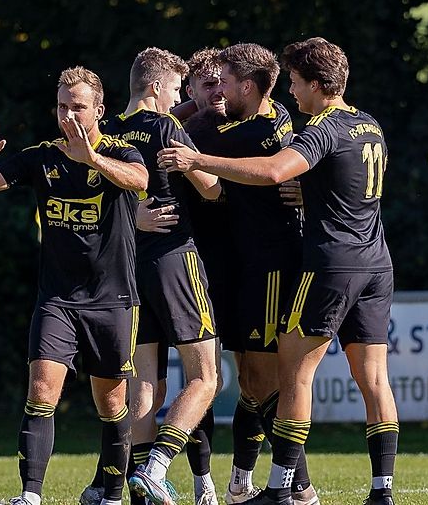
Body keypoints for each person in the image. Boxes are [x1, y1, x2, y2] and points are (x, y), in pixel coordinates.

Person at [159, 36, 399, 505]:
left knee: (291, 374)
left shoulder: (322, 127)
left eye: (295, 82)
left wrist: (198, 160)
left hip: (331, 263)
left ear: (315, 84)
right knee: (374, 379)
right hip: (377, 261)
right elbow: (347, 185)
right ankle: (381, 491)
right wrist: (311, 193)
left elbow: (273, 172)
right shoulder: (369, 126)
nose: (291, 91)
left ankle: (283, 489)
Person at [0, 66, 148, 505]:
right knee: (42, 390)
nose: (68, 115)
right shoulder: (41, 156)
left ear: (99, 111)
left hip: (112, 300)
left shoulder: (123, 151)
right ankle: (30, 495)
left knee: (111, 404)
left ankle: (111, 492)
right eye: (62, 106)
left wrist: (94, 161)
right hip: (58, 300)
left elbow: (140, 182)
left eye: (78, 107)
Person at [99, 47, 222, 505]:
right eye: (174, 88)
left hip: (126, 267)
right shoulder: (166, 126)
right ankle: (156, 469)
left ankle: (139, 492)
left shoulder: (106, 130)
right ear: (155, 87)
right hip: (174, 258)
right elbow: (210, 190)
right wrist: (205, 167)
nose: (176, 98)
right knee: (206, 377)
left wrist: (131, 218)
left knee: (144, 384)